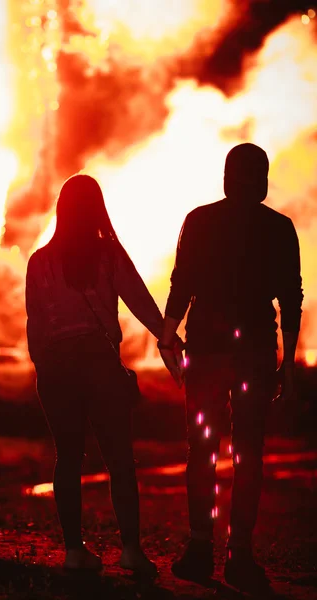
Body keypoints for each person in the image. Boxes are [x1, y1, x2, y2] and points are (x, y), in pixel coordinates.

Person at [158, 143, 303, 592]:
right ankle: (239, 553)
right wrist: (290, 361)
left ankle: (200, 548)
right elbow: (291, 299)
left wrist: (167, 336)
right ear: (261, 180)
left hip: (205, 354)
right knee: (248, 454)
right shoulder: (279, 228)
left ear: (225, 176)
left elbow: (181, 284)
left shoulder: (198, 221)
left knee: (201, 451)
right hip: (256, 354)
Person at [26, 174, 176, 576]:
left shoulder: (39, 261)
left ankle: (74, 552)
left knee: (68, 459)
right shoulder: (108, 254)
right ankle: (130, 550)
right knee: (120, 461)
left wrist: (45, 370)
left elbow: (35, 326)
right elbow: (139, 298)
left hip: (56, 370)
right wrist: (167, 337)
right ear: (97, 209)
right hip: (98, 365)